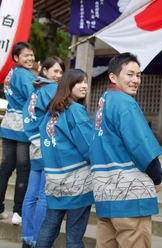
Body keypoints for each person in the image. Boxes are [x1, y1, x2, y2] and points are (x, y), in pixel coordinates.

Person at [90, 52, 162, 248]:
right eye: (130, 74)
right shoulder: (124, 103)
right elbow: (142, 145)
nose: (135, 80)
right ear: (113, 76)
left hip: (106, 194)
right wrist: (156, 177)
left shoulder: (104, 102)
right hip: (130, 196)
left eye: (138, 75)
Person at [35, 69, 94, 248]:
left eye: (85, 81)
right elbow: (87, 145)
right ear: (68, 85)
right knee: (74, 238)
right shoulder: (75, 109)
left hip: (54, 179)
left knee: (48, 228)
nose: (84, 85)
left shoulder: (50, 111)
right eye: (79, 82)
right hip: (77, 179)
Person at [21, 56, 66, 248]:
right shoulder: (51, 89)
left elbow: (27, 115)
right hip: (47, 145)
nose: (59, 76)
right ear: (44, 70)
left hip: (34, 144)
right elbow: (60, 114)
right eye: (55, 71)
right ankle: (39, 238)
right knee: (44, 196)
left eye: (61, 72)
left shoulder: (36, 89)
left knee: (31, 195)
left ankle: (27, 237)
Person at [0, 41, 36, 224]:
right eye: (26, 55)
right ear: (16, 57)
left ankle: (0, 208)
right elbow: (34, 99)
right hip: (23, 126)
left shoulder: (12, 72)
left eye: (31, 55)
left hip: (8, 124)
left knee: (6, 167)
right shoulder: (24, 74)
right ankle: (18, 212)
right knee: (23, 168)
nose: (30, 58)